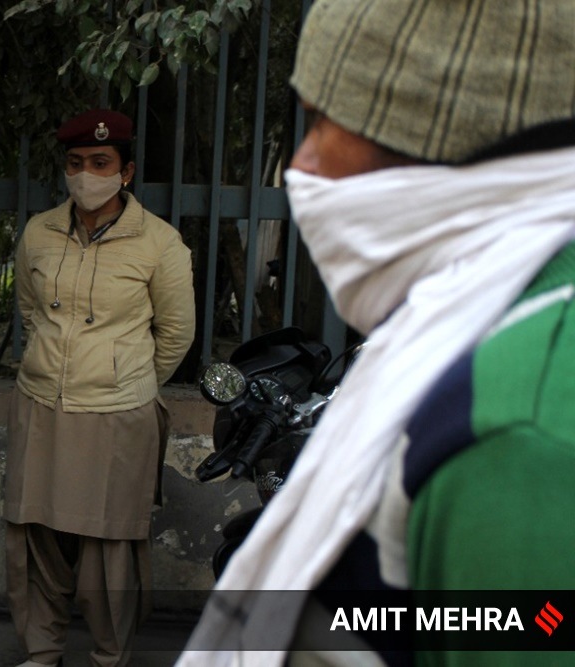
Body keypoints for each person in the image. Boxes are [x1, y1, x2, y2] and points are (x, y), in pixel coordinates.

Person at [179, 1, 575, 665]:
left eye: (319, 123)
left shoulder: (515, 433)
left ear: (427, 130)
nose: (299, 167)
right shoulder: (479, 314)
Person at [5, 109, 195, 667]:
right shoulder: (39, 231)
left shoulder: (159, 243)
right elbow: (30, 310)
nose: (87, 174)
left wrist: (124, 377)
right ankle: (42, 652)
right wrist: (51, 365)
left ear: (126, 172)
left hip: (117, 411)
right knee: (33, 530)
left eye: (100, 163)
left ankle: (109, 655)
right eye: (76, 163)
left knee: (107, 543)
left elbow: (176, 332)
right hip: (41, 402)